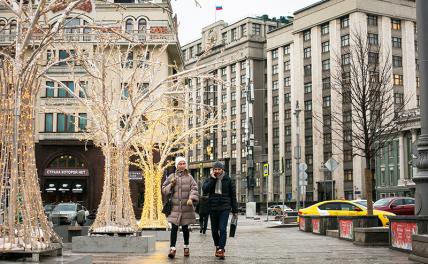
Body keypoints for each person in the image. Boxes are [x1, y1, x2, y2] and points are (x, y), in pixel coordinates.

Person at [162, 157, 199, 259]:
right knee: (174, 228)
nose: (182, 165)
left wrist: (191, 198)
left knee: (185, 228)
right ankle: (172, 249)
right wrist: (171, 184)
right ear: (176, 165)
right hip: (175, 208)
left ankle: (186, 247)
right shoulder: (171, 176)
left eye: (183, 163)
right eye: (180, 164)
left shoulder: (190, 177)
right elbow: (164, 190)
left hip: (186, 207)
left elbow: (194, 189)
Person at [202, 161, 238, 260]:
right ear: (213, 170)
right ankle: (217, 246)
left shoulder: (228, 180)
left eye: (219, 169)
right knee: (214, 230)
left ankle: (221, 249)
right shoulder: (209, 179)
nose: (217, 171)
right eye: (215, 169)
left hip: (225, 208)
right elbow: (205, 189)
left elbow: (233, 196)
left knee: (222, 228)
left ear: (222, 170)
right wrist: (213, 179)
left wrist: (235, 210)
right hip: (213, 208)